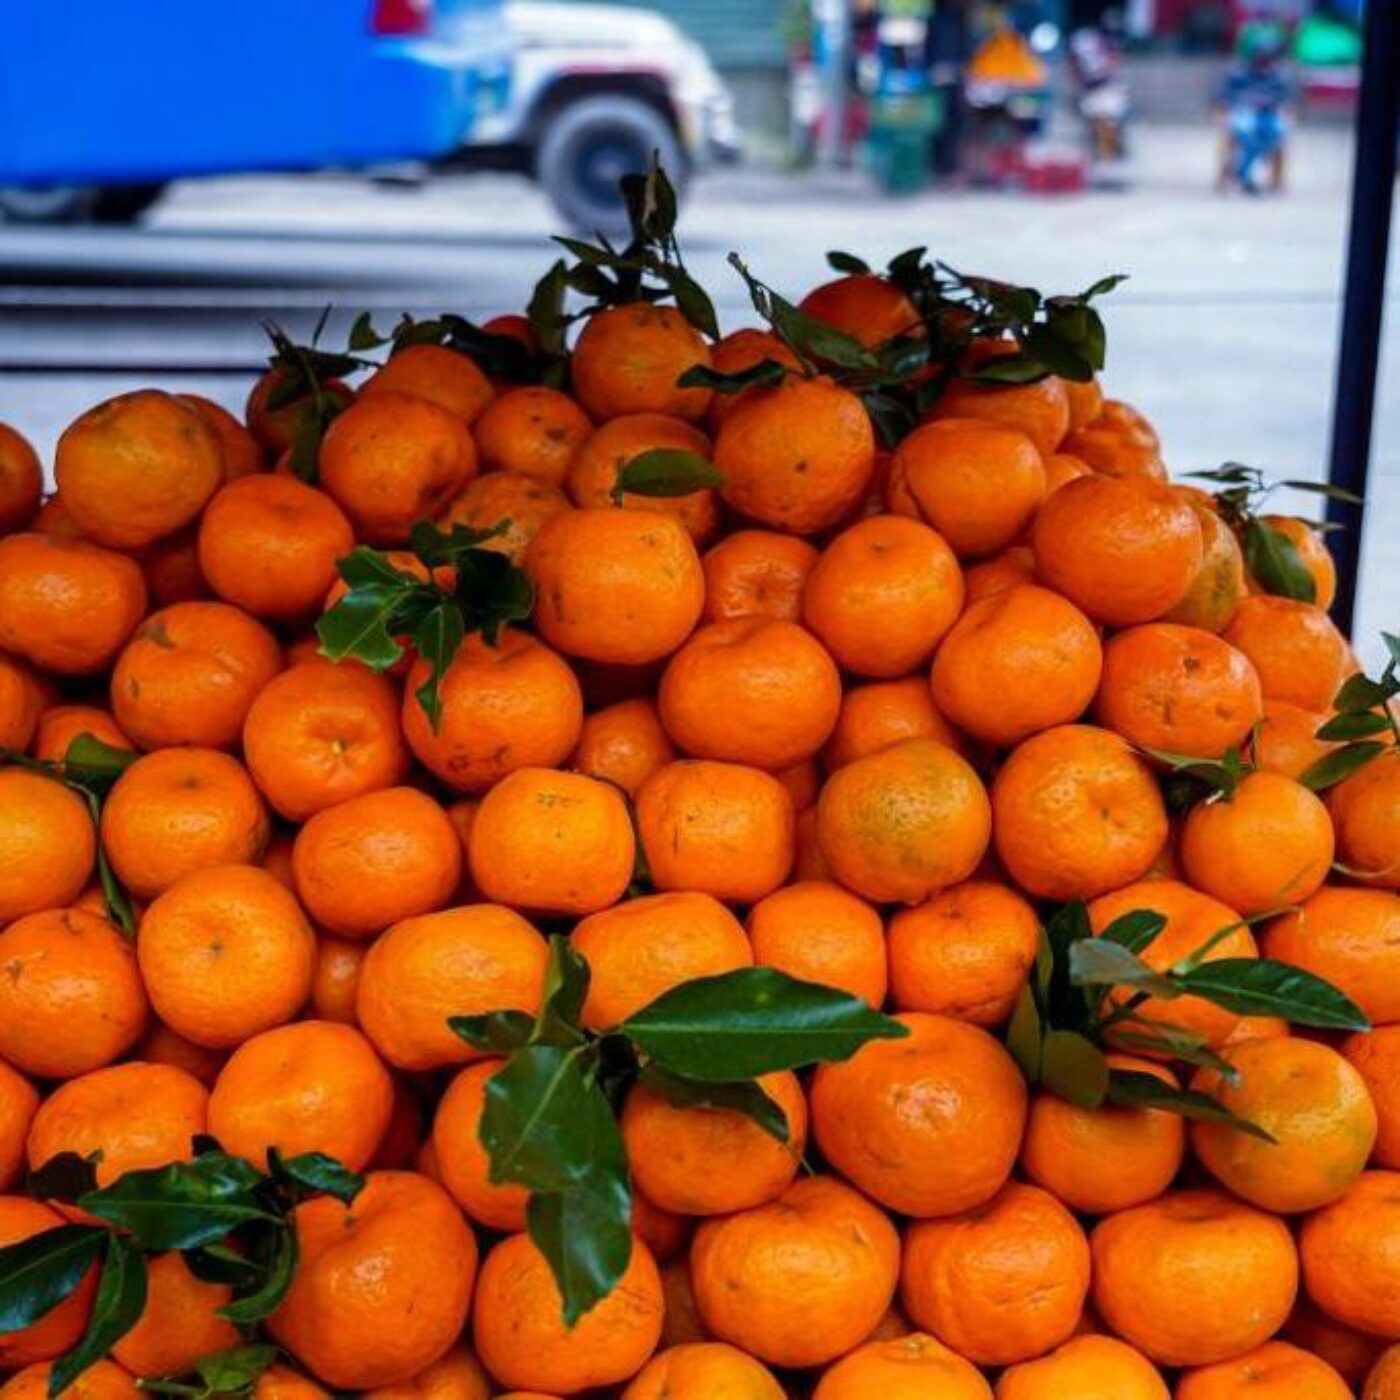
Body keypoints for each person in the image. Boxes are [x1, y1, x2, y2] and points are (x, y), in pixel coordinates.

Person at [1216, 19, 1296, 194]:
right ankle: (1244, 175)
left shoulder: (1280, 76)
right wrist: (1245, 102)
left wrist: (1271, 104)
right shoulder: (1237, 74)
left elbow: (1286, 101)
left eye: (1268, 55)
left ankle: (1240, 173)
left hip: (1270, 115)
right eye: (1261, 54)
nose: (1264, 59)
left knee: (1277, 133)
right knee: (1245, 133)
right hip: (1243, 113)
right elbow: (1224, 98)